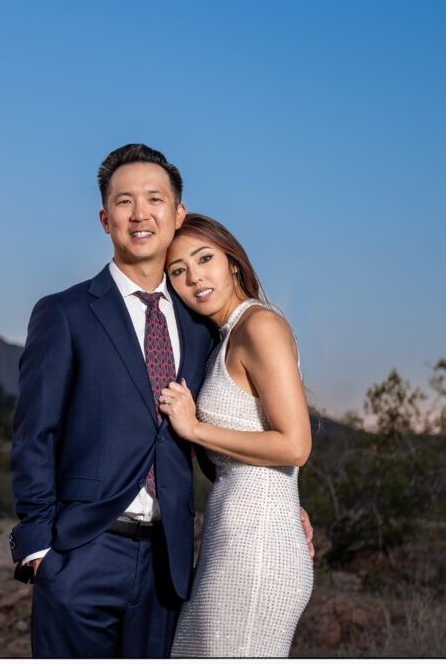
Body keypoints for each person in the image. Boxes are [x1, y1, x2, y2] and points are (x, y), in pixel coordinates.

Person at [8, 144, 313, 658]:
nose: (140, 213)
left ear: (178, 215)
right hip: (82, 554)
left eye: (154, 198)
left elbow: (235, 418)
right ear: (106, 219)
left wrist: (283, 501)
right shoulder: (65, 313)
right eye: (124, 202)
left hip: (169, 565)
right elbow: (34, 434)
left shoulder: (200, 327)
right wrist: (40, 550)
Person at [160, 214, 314, 656]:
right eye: (178, 271)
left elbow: (295, 445)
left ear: (233, 261)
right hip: (235, 537)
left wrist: (193, 428)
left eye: (204, 258)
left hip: (258, 547)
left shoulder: (260, 326)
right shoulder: (225, 339)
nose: (195, 278)